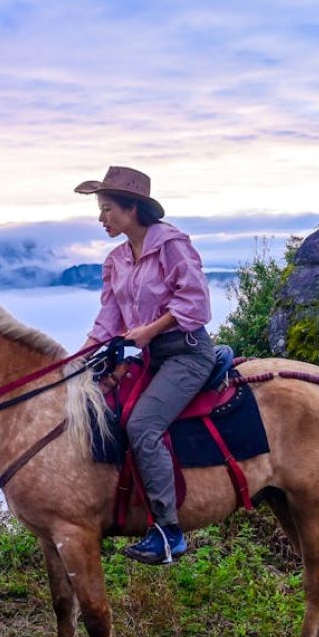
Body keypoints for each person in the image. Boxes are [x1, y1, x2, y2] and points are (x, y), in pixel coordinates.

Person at [76, 165, 215, 565]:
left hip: (187, 352)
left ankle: (169, 532)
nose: (101, 218)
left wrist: (150, 331)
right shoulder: (117, 259)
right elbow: (109, 319)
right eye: (100, 210)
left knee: (143, 424)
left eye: (106, 209)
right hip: (153, 355)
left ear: (132, 209)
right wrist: (76, 360)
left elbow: (195, 303)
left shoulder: (172, 244)